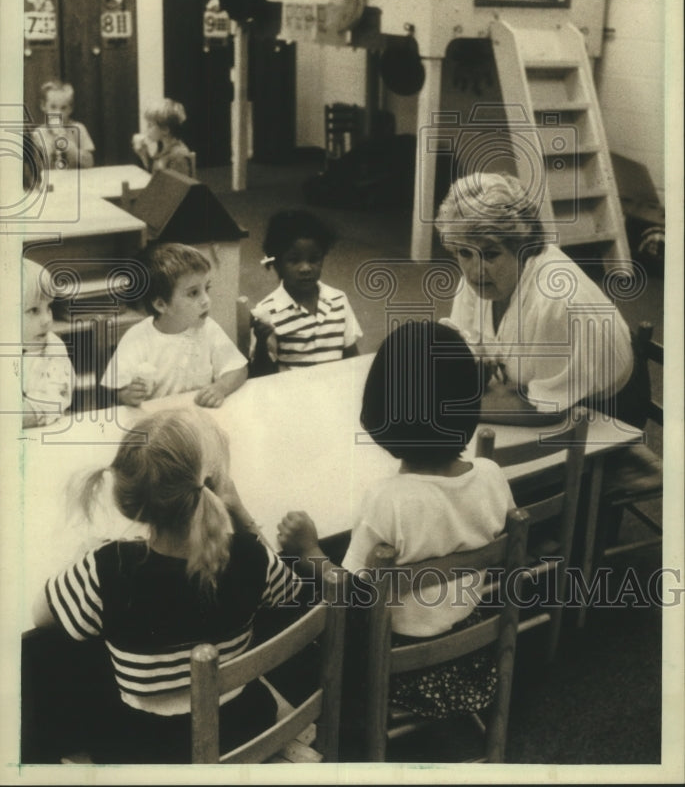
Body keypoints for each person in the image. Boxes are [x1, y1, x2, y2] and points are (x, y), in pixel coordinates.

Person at [31, 407, 303, 763]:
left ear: (130, 501)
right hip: (242, 728)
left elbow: (41, 616)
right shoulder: (250, 555)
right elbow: (290, 590)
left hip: (150, 751)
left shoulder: (106, 567)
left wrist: (86, 560)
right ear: (211, 487)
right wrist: (238, 510)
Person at [279, 319, 515, 720]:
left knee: (299, 599)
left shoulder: (386, 501)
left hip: (399, 665)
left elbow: (352, 593)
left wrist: (308, 550)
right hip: (473, 649)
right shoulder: (492, 475)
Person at [434, 172, 635, 423]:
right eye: (464, 252)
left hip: (603, 412)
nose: (476, 270)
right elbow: (464, 349)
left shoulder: (556, 300)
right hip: (527, 387)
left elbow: (548, 410)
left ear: (523, 247)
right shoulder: (479, 280)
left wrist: (444, 408)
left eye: (492, 254)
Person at [101, 242, 247, 407]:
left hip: (197, 416)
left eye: (207, 288)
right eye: (193, 293)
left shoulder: (208, 329)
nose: (206, 300)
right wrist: (127, 395)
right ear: (161, 305)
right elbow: (115, 389)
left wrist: (220, 387)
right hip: (155, 422)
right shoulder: (138, 337)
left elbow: (238, 369)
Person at [250, 209, 363, 376]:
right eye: (294, 260)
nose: (305, 268)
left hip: (334, 388)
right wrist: (261, 341)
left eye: (313, 259)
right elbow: (261, 375)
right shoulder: (267, 311)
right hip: (293, 394)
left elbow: (351, 355)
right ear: (277, 263)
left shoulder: (338, 299)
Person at [22, 257, 74, 428]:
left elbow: (51, 403)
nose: (47, 319)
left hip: (43, 435)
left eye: (49, 307)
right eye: (34, 310)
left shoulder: (53, 349)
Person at [31, 80, 95, 169]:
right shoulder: (38, 133)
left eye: (63, 108)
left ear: (70, 109)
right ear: (43, 106)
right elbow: (36, 168)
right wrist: (48, 151)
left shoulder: (78, 129)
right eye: (53, 107)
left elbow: (90, 162)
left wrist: (70, 147)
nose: (58, 113)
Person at [132, 99, 194, 177]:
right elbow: (155, 173)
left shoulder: (178, 156)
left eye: (150, 125)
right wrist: (143, 153)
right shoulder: (162, 148)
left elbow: (177, 187)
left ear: (165, 130)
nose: (146, 129)